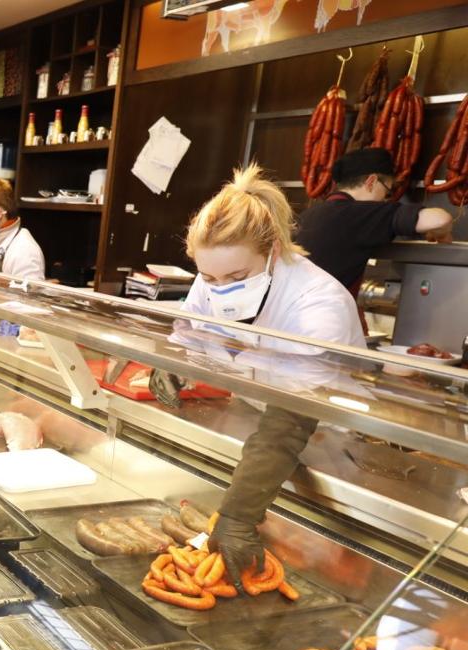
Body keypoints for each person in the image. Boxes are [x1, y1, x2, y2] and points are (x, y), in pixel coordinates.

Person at [151, 164, 364, 583]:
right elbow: (191, 332)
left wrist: (237, 516)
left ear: (272, 252)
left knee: (313, 568)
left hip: (324, 442)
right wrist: (172, 363)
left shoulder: (319, 304)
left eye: (237, 277)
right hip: (255, 429)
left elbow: (293, 418)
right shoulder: (210, 281)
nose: (220, 287)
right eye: (210, 276)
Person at [296, 147, 454, 295]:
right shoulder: (359, 213)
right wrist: (442, 233)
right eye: (387, 191)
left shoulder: (310, 214)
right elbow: (440, 218)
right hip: (323, 316)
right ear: (371, 182)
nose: (386, 199)